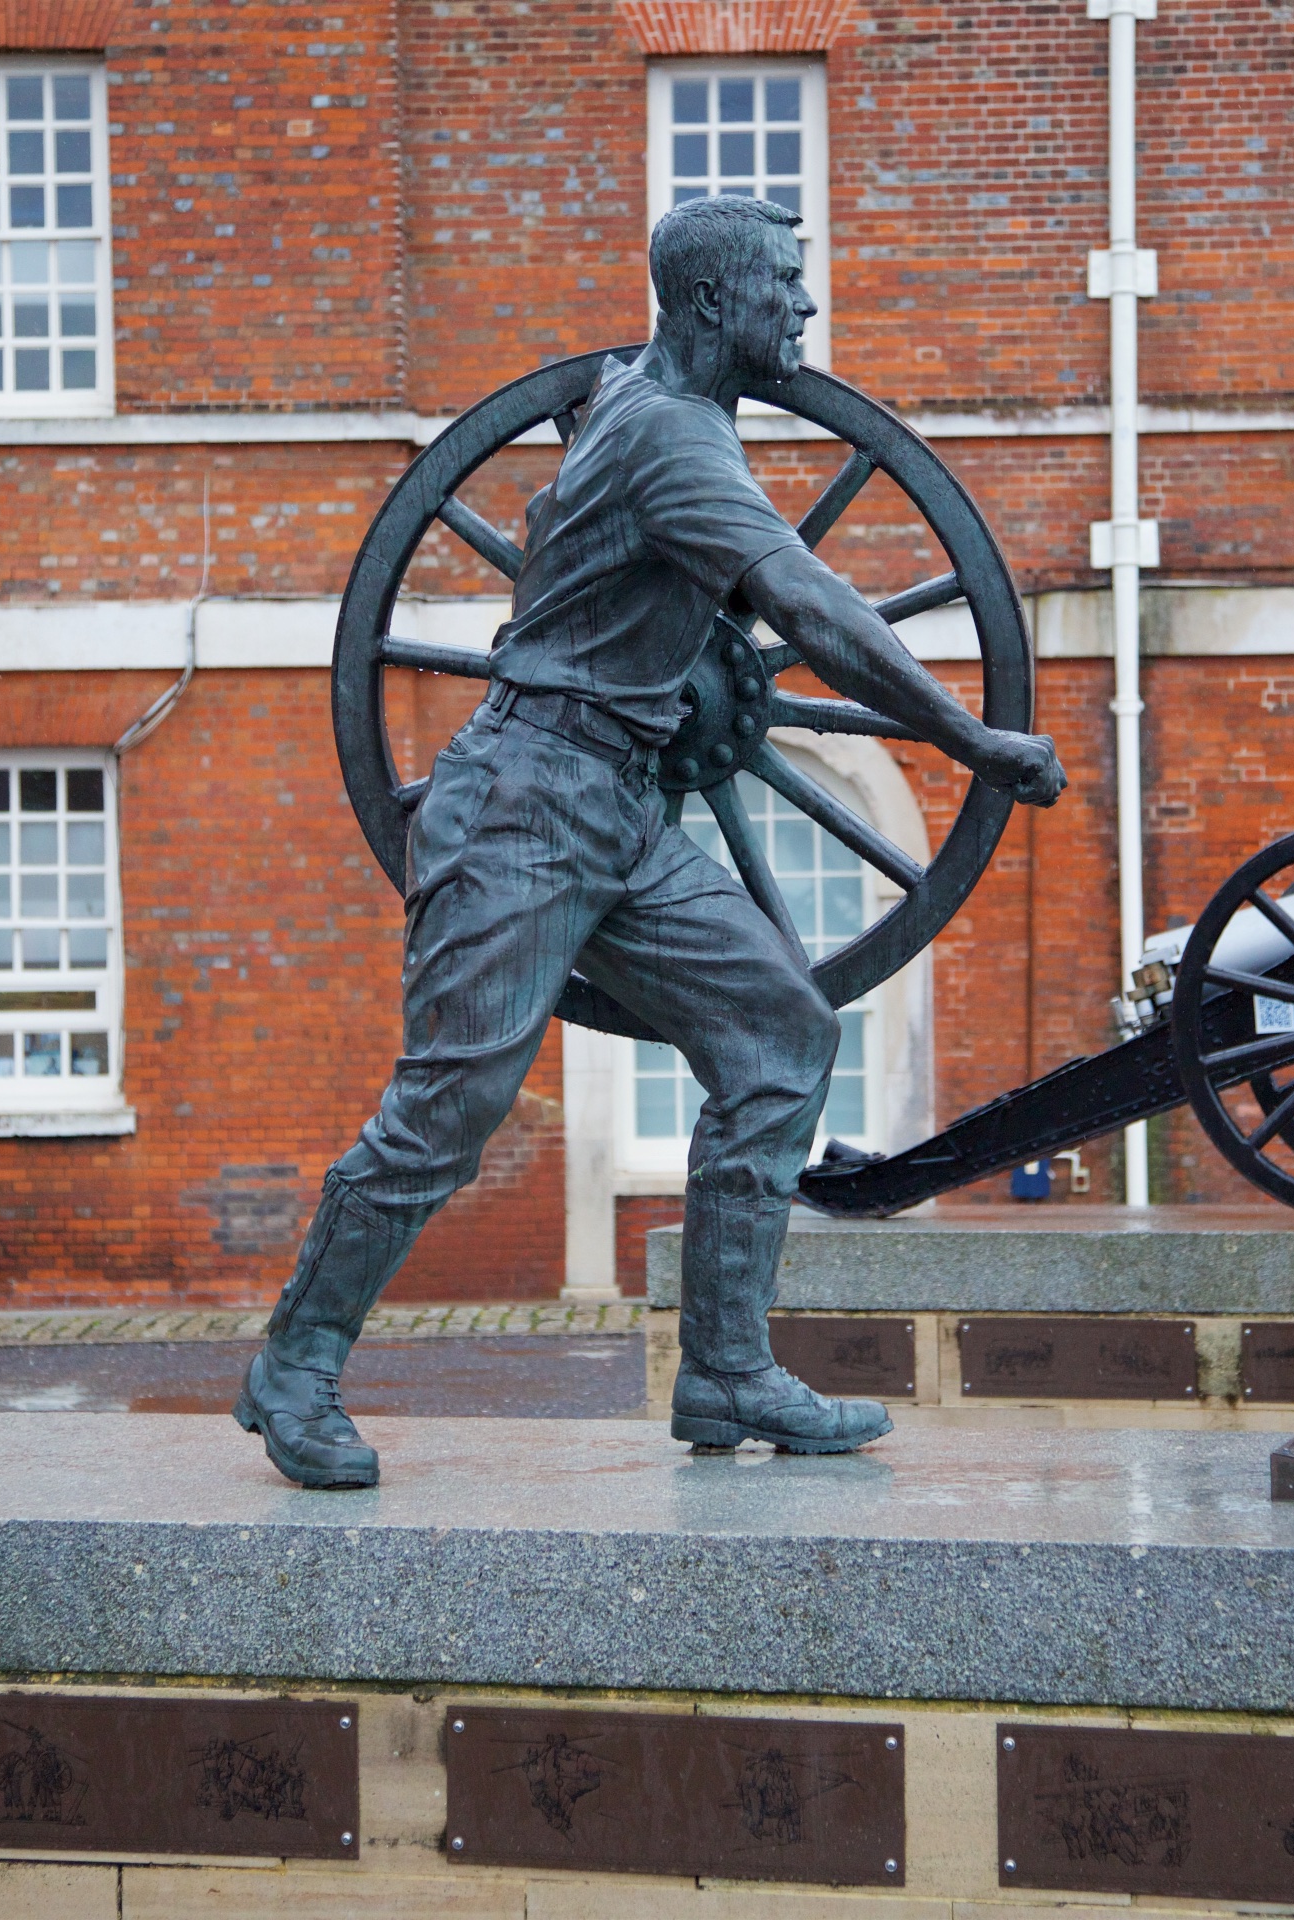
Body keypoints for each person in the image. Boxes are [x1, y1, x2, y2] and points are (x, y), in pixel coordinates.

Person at [235, 194, 1068, 1488]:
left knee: (780, 1033)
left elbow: (582, 511)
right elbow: (807, 605)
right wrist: (971, 739)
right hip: (523, 806)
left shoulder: (639, 398)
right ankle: (296, 1363)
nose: (805, 303)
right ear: (714, 303)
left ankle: (727, 1367)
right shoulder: (673, 440)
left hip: (616, 805)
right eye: (784, 282)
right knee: (450, 1105)